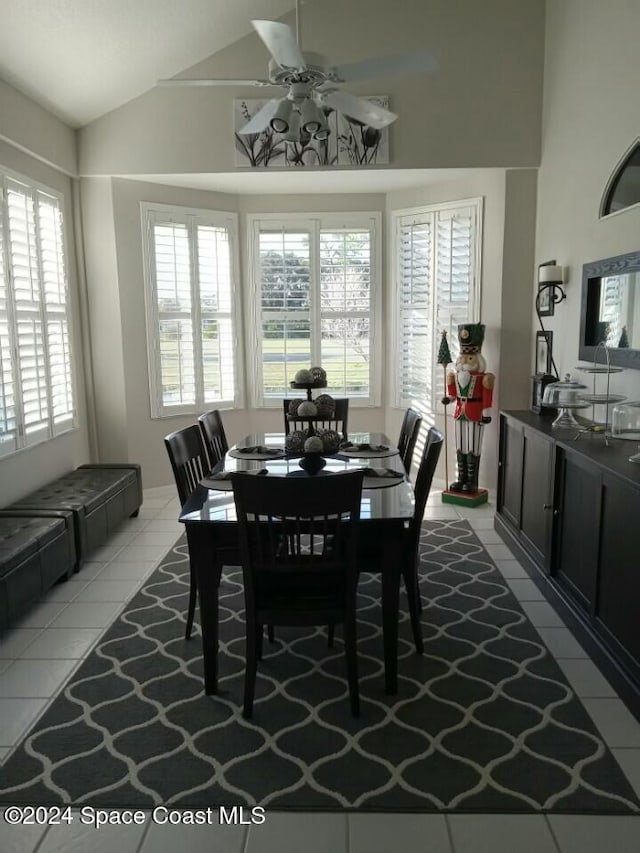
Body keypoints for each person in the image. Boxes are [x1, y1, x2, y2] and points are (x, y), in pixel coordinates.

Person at [446, 323, 494, 493]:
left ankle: (472, 482)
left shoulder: (485, 378)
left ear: (478, 359)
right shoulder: (455, 376)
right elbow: (453, 395)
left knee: (473, 446)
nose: (464, 362)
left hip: (476, 414)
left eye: (469, 359)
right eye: (462, 358)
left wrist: (486, 413)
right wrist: (449, 398)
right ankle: (461, 478)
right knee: (460, 445)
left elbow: (487, 398)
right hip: (459, 413)